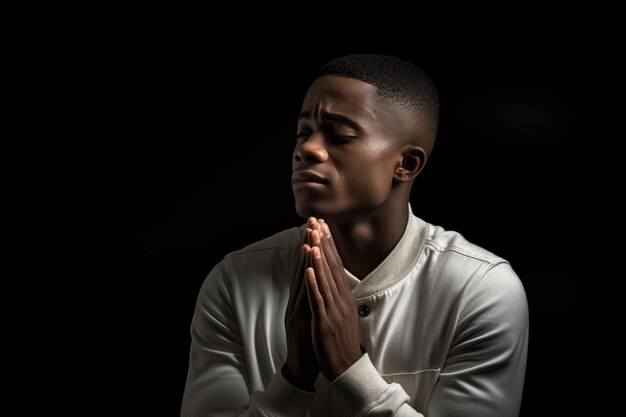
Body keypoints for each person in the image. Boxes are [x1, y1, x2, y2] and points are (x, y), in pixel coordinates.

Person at [180, 53, 529, 417]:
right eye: (302, 133)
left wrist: (351, 372)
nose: (306, 149)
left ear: (406, 164)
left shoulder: (480, 292)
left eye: (339, 135)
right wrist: (293, 379)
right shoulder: (232, 283)